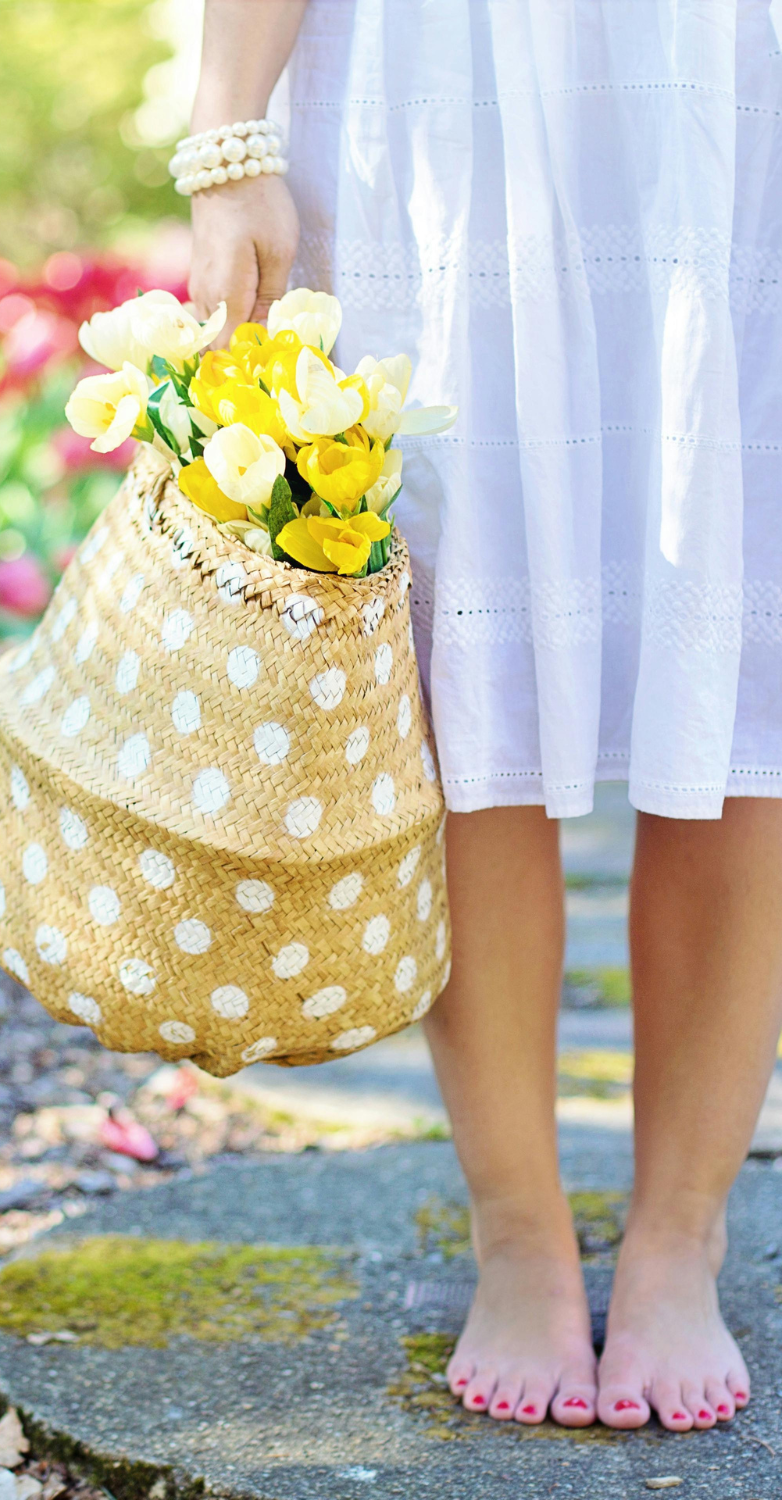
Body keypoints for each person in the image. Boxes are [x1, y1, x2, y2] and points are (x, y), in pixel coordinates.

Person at [185, 0, 782, 1431]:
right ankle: (517, 1227)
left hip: (735, 75)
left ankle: (678, 1235)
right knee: (462, 660)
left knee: (745, 661)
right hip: (439, 89)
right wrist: (227, 135)